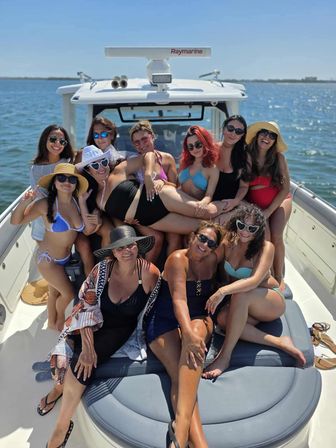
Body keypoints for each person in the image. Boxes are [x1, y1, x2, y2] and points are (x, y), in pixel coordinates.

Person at [40, 226, 160, 448]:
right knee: (62, 357)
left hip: (118, 330)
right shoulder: (101, 270)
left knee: (81, 366)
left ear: (138, 247)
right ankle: (58, 388)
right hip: (90, 322)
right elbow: (86, 306)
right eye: (120, 248)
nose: (127, 251)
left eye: (131, 245)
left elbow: (154, 308)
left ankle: (62, 426)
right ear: (113, 252)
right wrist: (87, 346)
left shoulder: (150, 273)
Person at [202, 204, 306, 380]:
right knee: (224, 320)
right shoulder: (229, 241)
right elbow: (210, 260)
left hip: (268, 300)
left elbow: (255, 281)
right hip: (241, 300)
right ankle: (280, 342)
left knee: (241, 293)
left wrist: (222, 291)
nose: (245, 232)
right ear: (236, 223)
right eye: (242, 226)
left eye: (252, 228)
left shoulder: (266, 247)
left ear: (259, 230)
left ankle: (224, 357)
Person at [145, 222, 223, 448]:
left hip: (199, 316)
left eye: (211, 243)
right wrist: (186, 334)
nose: (204, 245)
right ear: (193, 236)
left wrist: (192, 332)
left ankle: (179, 432)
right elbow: (179, 299)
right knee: (181, 379)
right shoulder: (178, 260)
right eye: (202, 238)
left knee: (197, 336)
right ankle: (197, 443)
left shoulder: (212, 260)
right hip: (165, 317)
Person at [76, 146, 227, 237]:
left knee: (206, 212)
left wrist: (148, 175)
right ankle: (230, 219)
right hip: (152, 221)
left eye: (103, 162)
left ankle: (231, 204)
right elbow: (88, 230)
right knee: (203, 226)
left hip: (160, 197)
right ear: (88, 171)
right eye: (95, 166)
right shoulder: (96, 198)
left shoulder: (118, 171)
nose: (102, 167)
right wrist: (82, 202)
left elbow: (149, 155)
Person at [11, 163, 92, 331]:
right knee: (68, 293)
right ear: (54, 182)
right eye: (61, 178)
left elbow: (85, 228)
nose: (66, 182)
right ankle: (60, 319)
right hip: (48, 260)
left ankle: (51, 322)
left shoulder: (77, 202)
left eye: (71, 179)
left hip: (65, 258)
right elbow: (16, 221)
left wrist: (83, 202)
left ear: (76, 184)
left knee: (55, 292)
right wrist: (25, 202)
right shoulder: (45, 205)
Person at [30, 124, 95, 276]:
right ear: (44, 140)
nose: (57, 144)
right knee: (53, 262)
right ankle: (56, 286)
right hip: (47, 220)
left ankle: (89, 286)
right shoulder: (35, 168)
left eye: (62, 141)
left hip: (71, 215)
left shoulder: (69, 161)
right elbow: (39, 196)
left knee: (83, 247)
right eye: (53, 139)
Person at [245, 121, 291, 290]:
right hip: (256, 205)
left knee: (277, 235)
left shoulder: (279, 158)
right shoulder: (247, 155)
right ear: (257, 135)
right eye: (264, 133)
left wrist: (269, 211)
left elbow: (285, 187)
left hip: (280, 201)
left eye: (272, 135)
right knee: (266, 238)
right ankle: (266, 273)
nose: (267, 137)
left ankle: (279, 276)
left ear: (274, 141)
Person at [130, 120, 179, 257]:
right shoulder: (133, 163)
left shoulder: (167, 159)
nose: (141, 144)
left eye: (144, 139)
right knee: (156, 238)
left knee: (175, 237)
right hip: (143, 212)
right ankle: (145, 275)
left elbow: (176, 187)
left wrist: (163, 182)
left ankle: (169, 274)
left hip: (165, 210)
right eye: (137, 142)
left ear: (152, 136)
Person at [212, 115, 249, 212]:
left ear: (242, 136)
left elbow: (244, 186)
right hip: (209, 203)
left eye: (238, 131)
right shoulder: (211, 150)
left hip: (231, 205)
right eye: (230, 128)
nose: (233, 133)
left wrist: (235, 201)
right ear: (224, 129)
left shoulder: (245, 156)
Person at [179, 125, 219, 204]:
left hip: (195, 205)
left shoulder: (212, 169)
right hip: (179, 201)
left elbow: (208, 195)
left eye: (198, 145)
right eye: (190, 147)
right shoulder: (184, 163)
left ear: (205, 143)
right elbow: (178, 187)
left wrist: (202, 203)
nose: (195, 149)